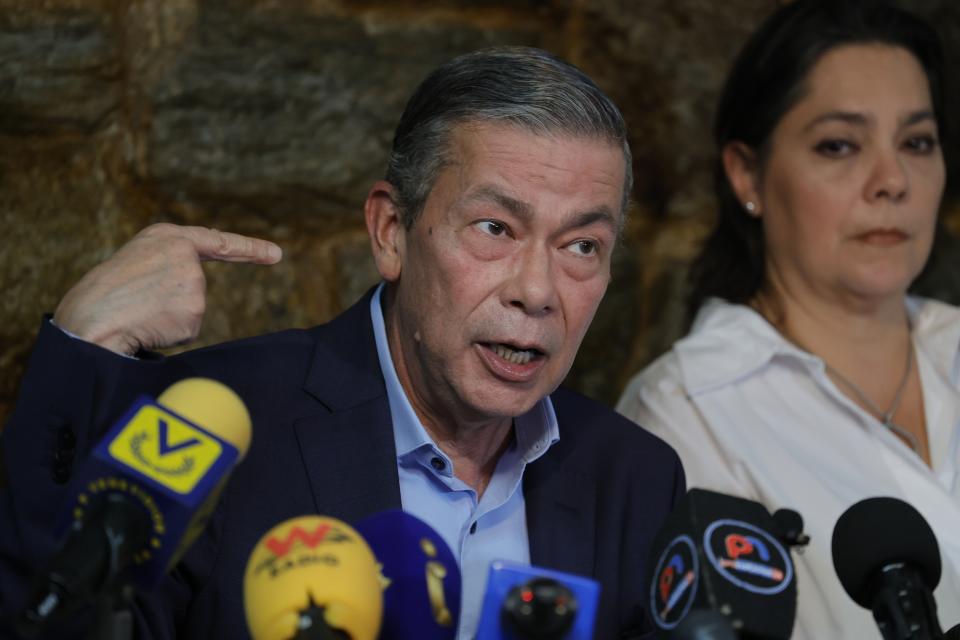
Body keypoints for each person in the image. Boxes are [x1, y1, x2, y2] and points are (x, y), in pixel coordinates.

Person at [0, 47, 684, 639]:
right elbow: (48, 618)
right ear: (391, 231)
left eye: (582, 246)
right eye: (495, 229)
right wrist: (83, 347)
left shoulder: (634, 480)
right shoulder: (216, 425)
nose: (536, 291)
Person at [617, 1, 960, 638]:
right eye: (839, 145)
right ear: (747, 173)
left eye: (917, 142)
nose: (892, 180)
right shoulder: (685, 413)